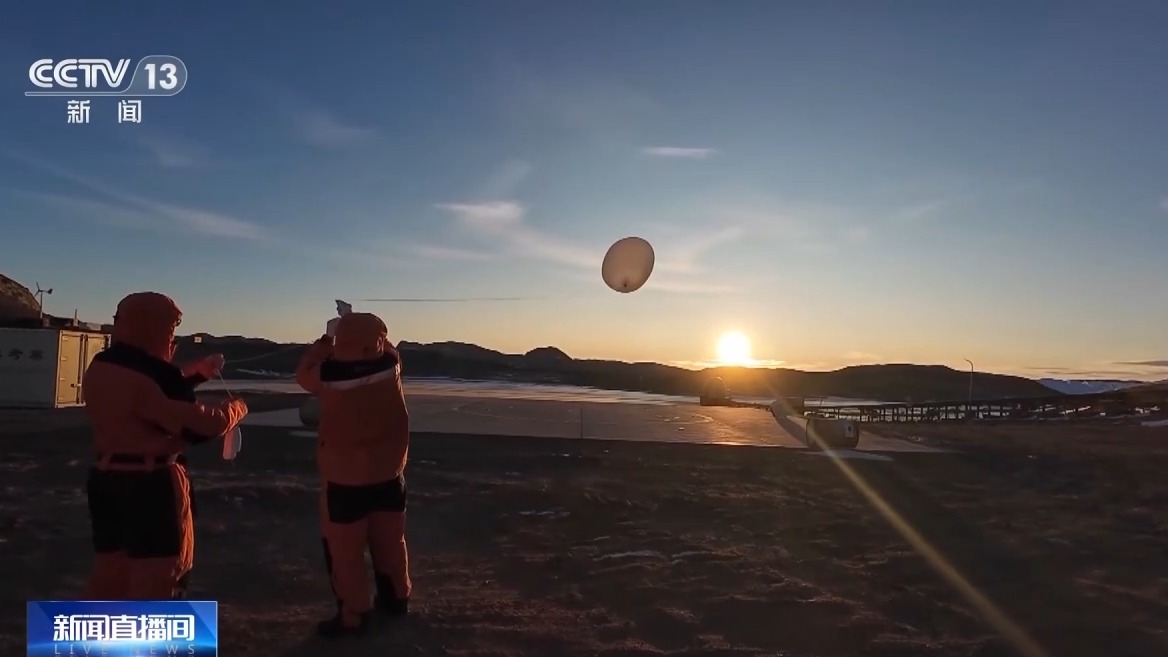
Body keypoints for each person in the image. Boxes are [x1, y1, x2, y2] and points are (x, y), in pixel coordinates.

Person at [81, 291, 249, 600]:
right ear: (157, 328)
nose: (172, 337)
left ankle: (99, 628)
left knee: (112, 569)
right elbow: (197, 426)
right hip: (150, 485)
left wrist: (195, 374)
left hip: (105, 480)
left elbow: (148, 396)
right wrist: (235, 409)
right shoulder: (156, 376)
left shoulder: (101, 365)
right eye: (170, 328)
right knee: (159, 573)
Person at [295, 312, 411, 637]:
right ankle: (396, 598)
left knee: (345, 552)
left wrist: (324, 343)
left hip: (345, 481)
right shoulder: (391, 364)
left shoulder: (328, 373)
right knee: (390, 542)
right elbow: (386, 347)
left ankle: (354, 614)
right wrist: (363, 336)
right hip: (389, 474)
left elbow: (303, 375)